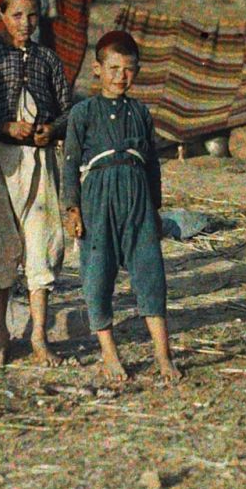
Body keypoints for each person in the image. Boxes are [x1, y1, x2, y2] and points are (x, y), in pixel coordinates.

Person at [0, 0, 72, 367]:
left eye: (33, 15)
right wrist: (4, 127)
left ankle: (40, 337)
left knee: (40, 243)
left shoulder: (47, 59)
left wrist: (51, 130)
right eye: (17, 15)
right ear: (1, 15)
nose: (25, 23)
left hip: (40, 161)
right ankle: (0, 336)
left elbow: (67, 109)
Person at [61, 31, 177, 386]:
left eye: (129, 69)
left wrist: (154, 209)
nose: (120, 76)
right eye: (113, 68)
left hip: (137, 194)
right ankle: (109, 353)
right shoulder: (82, 112)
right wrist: (72, 208)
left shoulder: (141, 112)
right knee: (97, 272)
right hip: (98, 194)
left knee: (150, 271)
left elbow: (153, 165)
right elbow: (69, 163)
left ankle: (162, 354)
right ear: (96, 69)